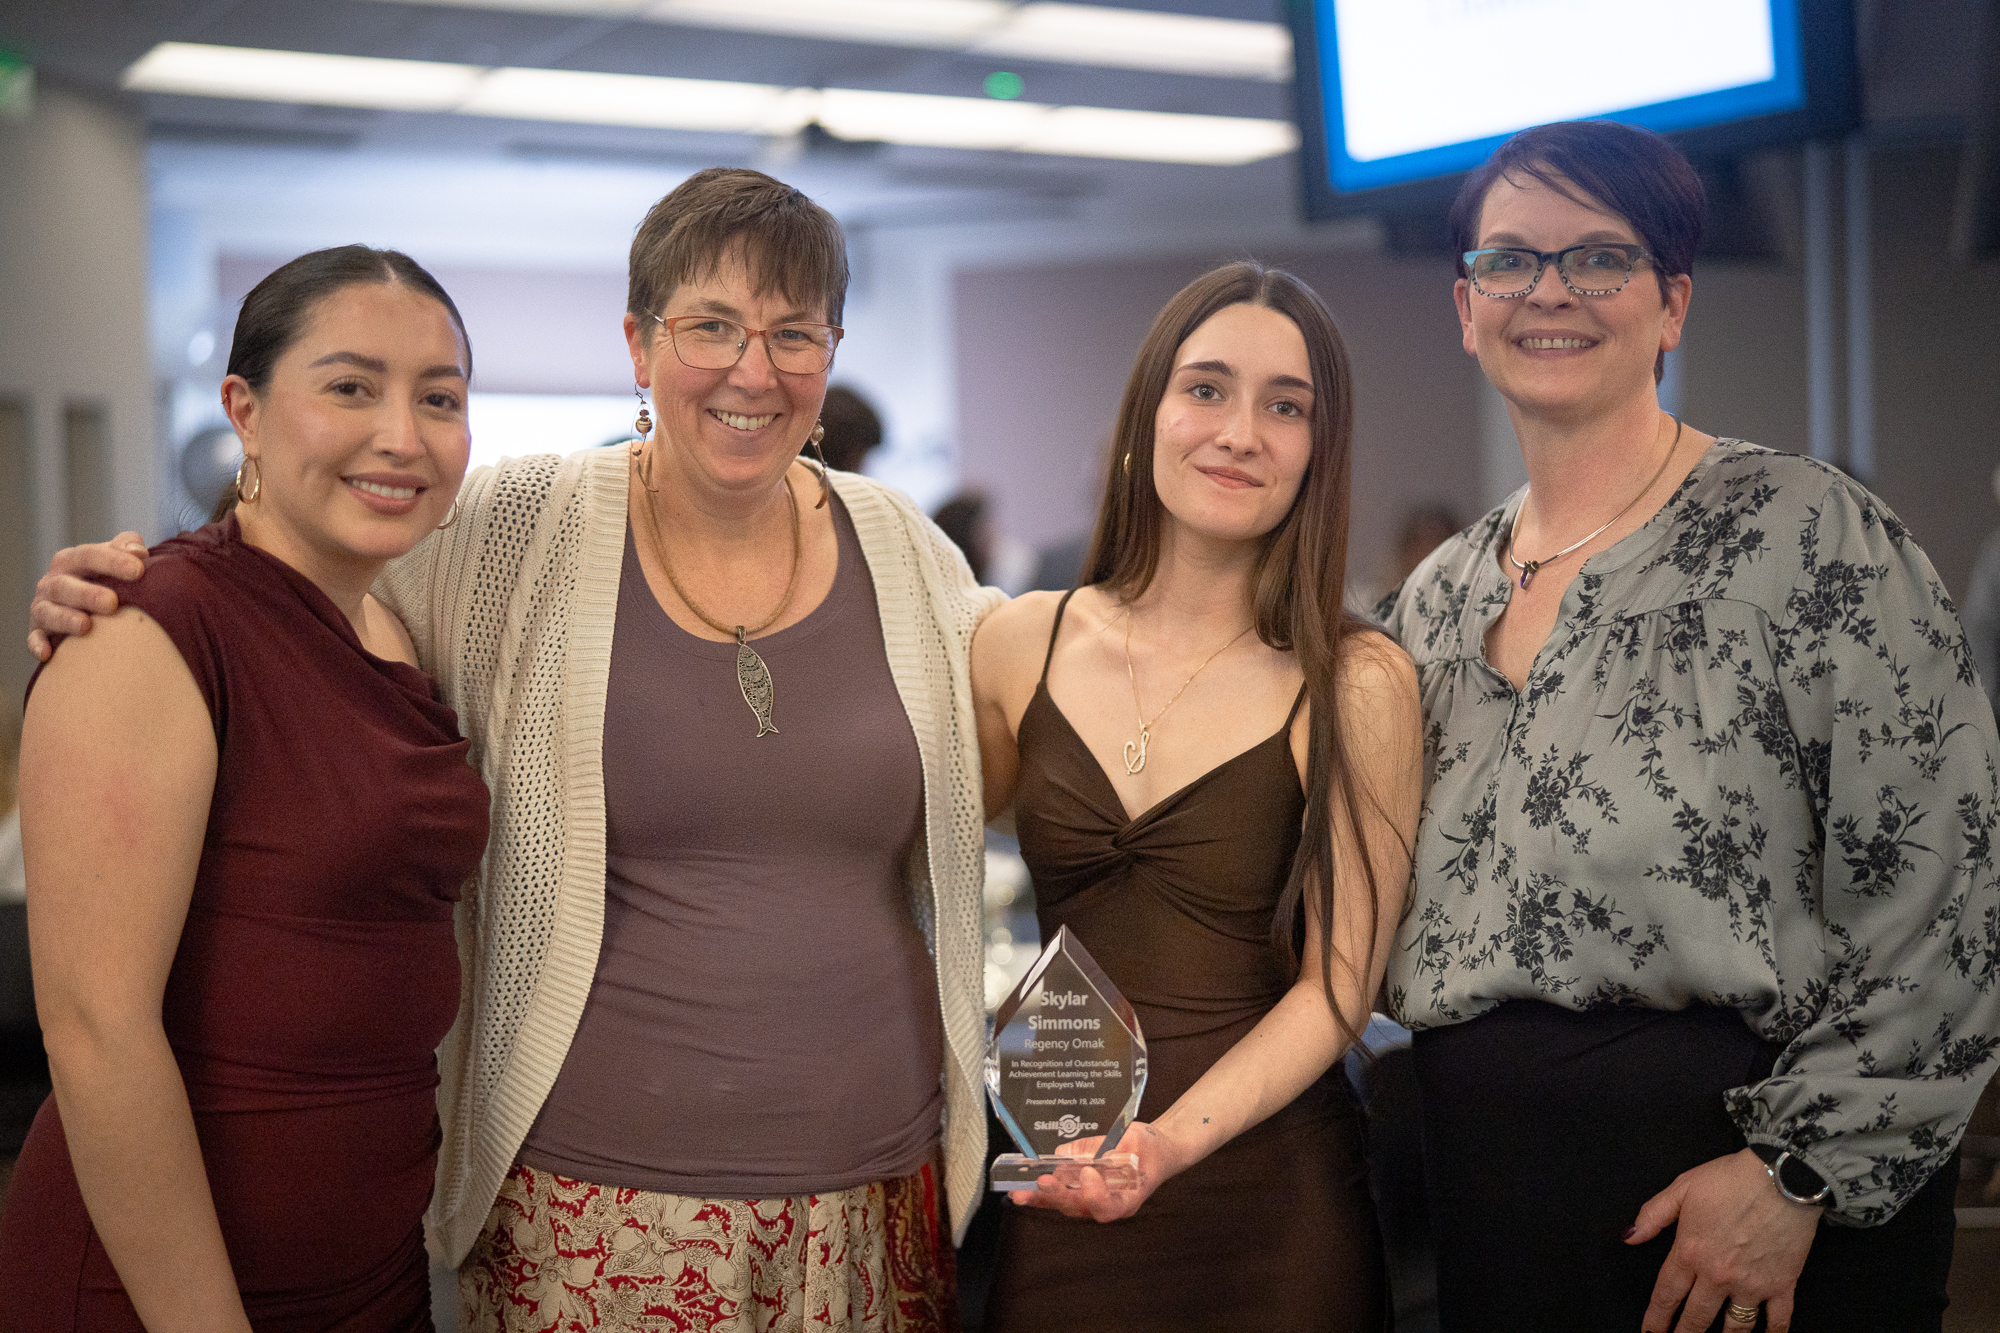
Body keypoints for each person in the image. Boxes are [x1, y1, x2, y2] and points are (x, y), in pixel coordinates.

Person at [30, 169, 994, 1333]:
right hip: (593, 1206)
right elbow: (279, 588)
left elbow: (1040, 690)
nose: (754, 367)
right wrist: (121, 584)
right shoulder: (505, 532)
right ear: (637, 344)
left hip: (868, 1195)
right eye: (710, 326)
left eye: (794, 332)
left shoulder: (906, 550)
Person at [1378, 120, 2000, 1332]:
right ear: (1465, 307)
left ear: (1670, 305)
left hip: (1752, 1215)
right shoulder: (1436, 598)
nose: (1548, 290)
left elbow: (1947, 890)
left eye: (1596, 257)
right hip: (1499, 1207)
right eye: (1509, 260)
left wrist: (1793, 1174)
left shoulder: (1806, 536)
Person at [0, 246, 489, 1330]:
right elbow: (94, 1027)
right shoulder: (146, 624)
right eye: (350, 387)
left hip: (372, 1269)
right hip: (164, 1288)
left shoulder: (402, 622)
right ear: (246, 410)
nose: (401, 434)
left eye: (439, 397)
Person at [970, 261, 1421, 1331]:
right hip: (1064, 1176)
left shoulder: (1353, 682)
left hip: (1264, 1200)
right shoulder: (1014, 643)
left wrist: (1164, 1145)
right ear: (1147, 415)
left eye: (1284, 406)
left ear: (1318, 449)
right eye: (1206, 389)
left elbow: (1339, 987)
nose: (1238, 431)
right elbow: (920, 881)